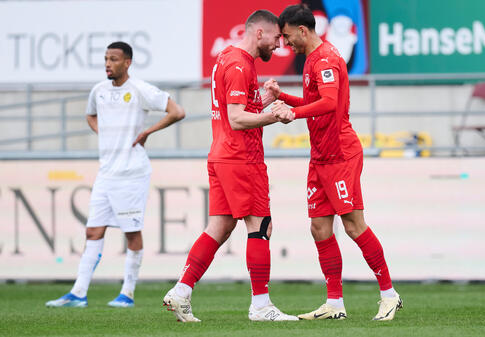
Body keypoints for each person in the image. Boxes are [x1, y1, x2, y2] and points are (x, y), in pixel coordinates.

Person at [264, 4, 402, 321]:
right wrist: (284, 98)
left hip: (340, 153)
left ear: (303, 30)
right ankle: (335, 304)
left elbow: (327, 104)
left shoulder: (325, 58)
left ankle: (389, 295)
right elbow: (317, 102)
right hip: (321, 155)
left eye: (286, 37)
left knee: (354, 225)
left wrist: (292, 113)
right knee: (319, 227)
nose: (286, 44)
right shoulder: (312, 59)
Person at [162, 10, 297, 322]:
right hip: (241, 157)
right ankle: (261, 306)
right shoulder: (239, 65)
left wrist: (263, 99)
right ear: (259, 33)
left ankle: (181, 291)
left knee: (220, 227)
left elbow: (234, 110)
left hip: (221, 154)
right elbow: (237, 120)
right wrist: (276, 115)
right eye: (276, 38)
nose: (278, 46)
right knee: (261, 227)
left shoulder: (228, 57)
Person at [46, 41, 186, 308]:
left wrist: (147, 132)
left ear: (127, 63)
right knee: (93, 231)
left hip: (132, 173)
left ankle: (128, 293)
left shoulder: (139, 90)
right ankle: (78, 293)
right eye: (106, 59)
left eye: (114, 59)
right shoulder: (98, 91)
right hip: (106, 172)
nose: (108, 64)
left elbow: (177, 112)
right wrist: (105, 133)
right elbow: (90, 115)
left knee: (131, 232)